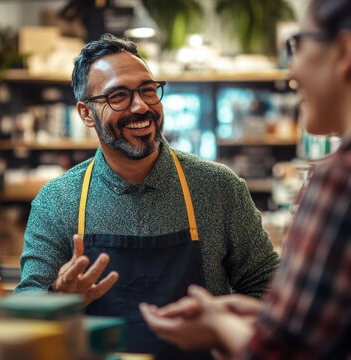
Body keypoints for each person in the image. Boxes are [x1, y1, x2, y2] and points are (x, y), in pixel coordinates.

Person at [140, 0, 351, 358]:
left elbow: (278, 355)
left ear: (345, 52)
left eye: (298, 44)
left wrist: (217, 326)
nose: (292, 70)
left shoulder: (350, 180)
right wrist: (268, 318)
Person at [15, 34, 280, 358]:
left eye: (148, 90)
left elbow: (268, 287)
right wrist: (59, 298)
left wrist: (221, 328)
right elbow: (24, 312)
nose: (141, 106)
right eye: (118, 96)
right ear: (86, 113)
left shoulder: (218, 187)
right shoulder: (57, 200)